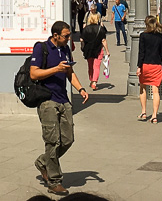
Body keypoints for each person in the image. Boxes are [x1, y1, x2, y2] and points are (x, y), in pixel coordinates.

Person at [30, 21, 89, 197]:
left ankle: (43, 161)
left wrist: (81, 89)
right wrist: (56, 68)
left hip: (63, 100)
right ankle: (54, 181)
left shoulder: (65, 49)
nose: (69, 38)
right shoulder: (41, 48)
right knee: (53, 141)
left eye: (69, 35)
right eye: (66, 35)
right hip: (47, 100)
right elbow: (34, 73)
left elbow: (69, 72)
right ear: (55, 35)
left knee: (68, 139)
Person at [137, 15, 162, 124]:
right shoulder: (160, 36)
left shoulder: (143, 36)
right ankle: (154, 115)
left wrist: (139, 66)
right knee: (155, 91)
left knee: (143, 88)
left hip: (145, 65)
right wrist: (159, 63)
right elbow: (161, 51)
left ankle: (144, 112)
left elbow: (141, 52)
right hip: (156, 65)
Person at [80, 10, 108, 91]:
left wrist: (83, 47)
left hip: (88, 50)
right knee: (96, 66)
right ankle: (94, 82)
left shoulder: (85, 29)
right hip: (98, 50)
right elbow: (103, 41)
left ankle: (92, 79)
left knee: (90, 66)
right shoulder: (100, 29)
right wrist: (107, 51)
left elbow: (82, 39)